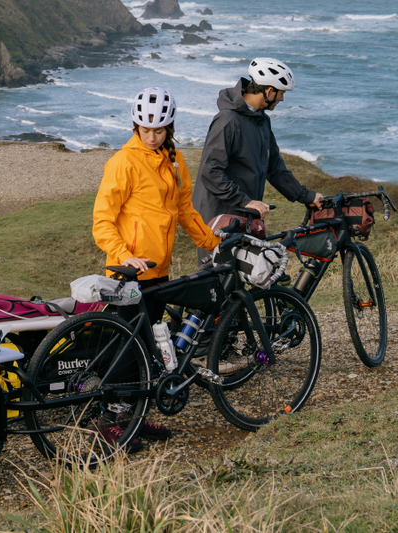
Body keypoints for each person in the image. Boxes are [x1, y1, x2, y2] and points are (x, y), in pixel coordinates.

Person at [90, 87, 222, 451]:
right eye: (146, 130)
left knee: (146, 350)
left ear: (169, 128)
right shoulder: (123, 162)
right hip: (128, 272)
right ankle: (107, 425)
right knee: (125, 353)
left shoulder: (175, 159)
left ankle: (132, 417)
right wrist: (122, 255)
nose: (152, 136)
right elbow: (102, 221)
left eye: (159, 130)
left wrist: (214, 243)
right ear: (135, 125)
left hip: (158, 271)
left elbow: (184, 212)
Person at [194, 58, 323, 374]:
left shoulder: (262, 122)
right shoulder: (227, 121)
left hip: (242, 214)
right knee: (218, 284)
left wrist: (307, 196)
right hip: (217, 215)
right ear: (266, 90)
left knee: (239, 280)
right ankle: (203, 355)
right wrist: (246, 200)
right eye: (280, 93)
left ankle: (225, 349)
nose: (282, 99)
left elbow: (275, 168)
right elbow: (211, 172)